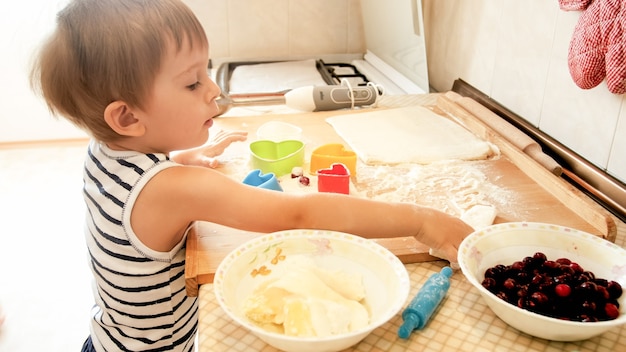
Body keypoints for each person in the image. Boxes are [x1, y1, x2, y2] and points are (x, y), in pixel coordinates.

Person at [30, 0, 474, 350]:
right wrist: (420, 220)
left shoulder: (103, 149)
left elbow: (146, 181)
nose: (214, 89)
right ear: (127, 117)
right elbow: (299, 214)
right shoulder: (172, 189)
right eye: (191, 83)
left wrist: (190, 157)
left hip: (108, 339)